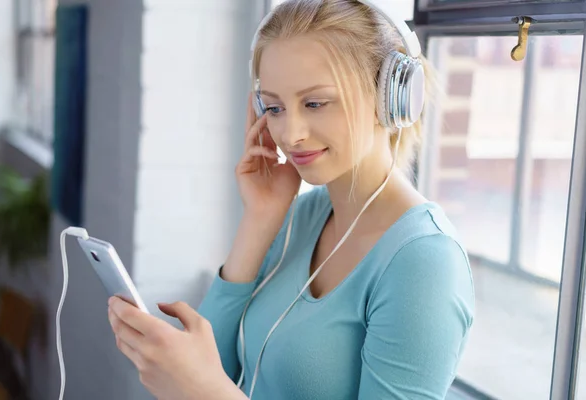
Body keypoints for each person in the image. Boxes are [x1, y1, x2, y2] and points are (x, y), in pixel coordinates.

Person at [106, 1, 474, 399]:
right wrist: (260, 219)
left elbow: (205, 385)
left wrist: (202, 390)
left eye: (315, 103)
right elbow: (220, 364)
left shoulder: (425, 262)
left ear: (391, 97)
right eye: (275, 107)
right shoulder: (305, 215)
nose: (290, 133)